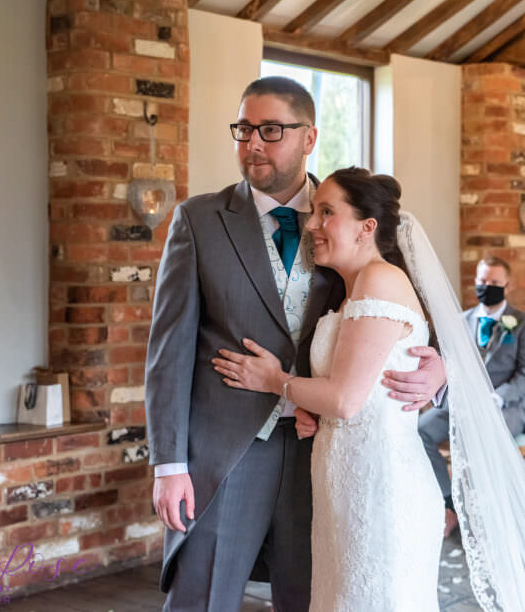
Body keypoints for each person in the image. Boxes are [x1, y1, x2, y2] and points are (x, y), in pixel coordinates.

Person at [218, 168, 525, 611]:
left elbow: (346, 400)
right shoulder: (347, 289)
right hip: (346, 481)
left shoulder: (379, 281)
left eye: (326, 212)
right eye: (314, 212)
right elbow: (355, 386)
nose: (311, 224)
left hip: (381, 487)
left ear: (367, 227)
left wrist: (276, 381)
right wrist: (313, 407)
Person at [143, 77, 446, 611]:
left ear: (308, 137)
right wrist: (169, 465)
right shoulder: (199, 221)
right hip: (227, 453)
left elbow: (417, 317)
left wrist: (439, 371)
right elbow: (168, 352)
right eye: (243, 130)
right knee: (200, 600)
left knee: (315, 597)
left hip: (325, 457)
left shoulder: (349, 224)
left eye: (270, 130)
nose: (252, 143)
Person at [418, 256, 525, 536]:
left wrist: (495, 399)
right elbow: (449, 369)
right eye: (482, 281)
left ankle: (486, 514)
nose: (487, 287)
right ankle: (449, 504)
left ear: (507, 286)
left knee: (477, 433)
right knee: (418, 431)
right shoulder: (459, 322)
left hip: (507, 407)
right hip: (459, 406)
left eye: (495, 283)